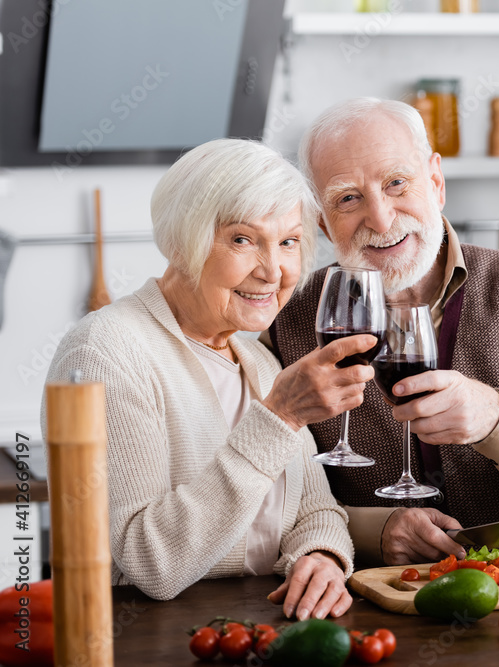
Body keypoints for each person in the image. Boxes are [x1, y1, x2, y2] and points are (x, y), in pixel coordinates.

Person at [267, 97, 499, 566]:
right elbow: (268, 505)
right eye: (348, 198)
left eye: (397, 183)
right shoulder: (287, 320)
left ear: (436, 182)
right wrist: (372, 529)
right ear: (321, 220)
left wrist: (498, 419)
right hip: (376, 616)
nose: (380, 219)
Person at [41, 139, 376, 620]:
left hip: (263, 630)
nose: (272, 270)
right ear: (181, 243)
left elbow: (315, 511)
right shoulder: (107, 352)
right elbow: (148, 567)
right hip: (145, 641)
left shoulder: (258, 362)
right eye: (242, 240)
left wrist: (320, 557)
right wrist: (279, 418)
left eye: (288, 242)